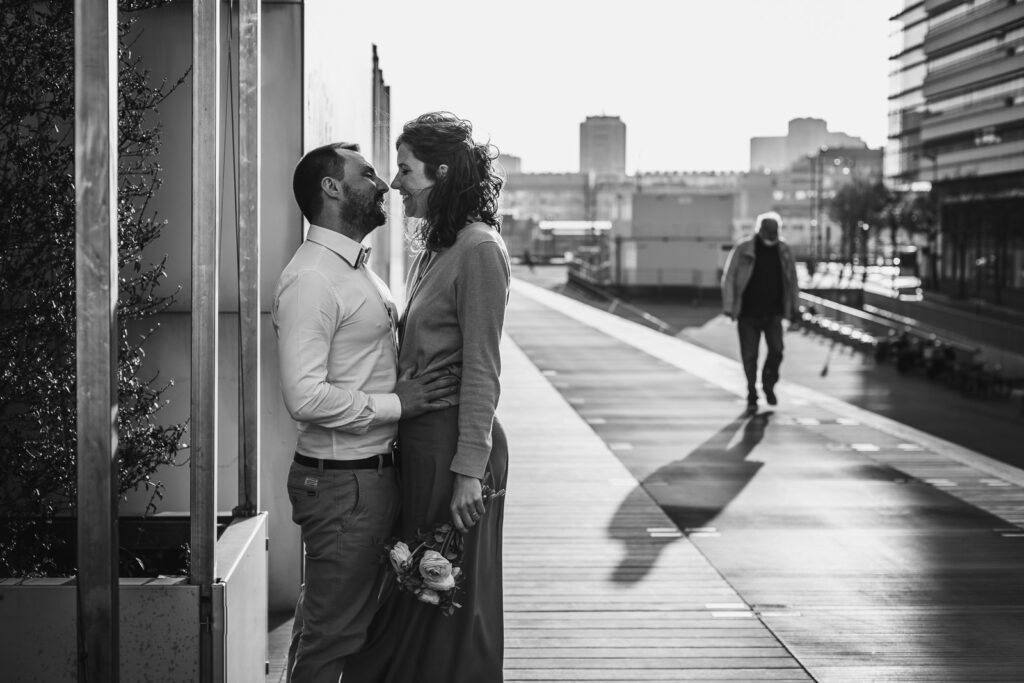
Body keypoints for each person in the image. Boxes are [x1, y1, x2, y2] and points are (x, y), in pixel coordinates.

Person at [273, 142, 459, 683]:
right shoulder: (314, 279)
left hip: (363, 482)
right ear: (332, 188)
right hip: (343, 487)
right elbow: (304, 396)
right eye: (368, 173)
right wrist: (401, 405)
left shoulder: (355, 272)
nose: (384, 185)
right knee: (334, 637)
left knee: (330, 627)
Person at [345, 112, 511, 683]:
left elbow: (484, 368)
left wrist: (470, 469)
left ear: (441, 173)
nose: (395, 183)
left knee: (443, 595)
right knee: (419, 588)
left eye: (406, 169)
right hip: (423, 443)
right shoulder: (439, 249)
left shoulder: (479, 250)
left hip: (454, 448)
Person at [721, 211, 800, 410]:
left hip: (774, 312)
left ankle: (768, 384)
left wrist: (794, 308)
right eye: (769, 232)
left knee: (777, 350)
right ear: (761, 230)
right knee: (750, 355)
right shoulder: (743, 249)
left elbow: (793, 282)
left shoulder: (784, 251)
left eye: (775, 232)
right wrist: (729, 306)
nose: (772, 236)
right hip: (747, 312)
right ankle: (751, 390)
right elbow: (730, 278)